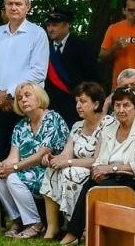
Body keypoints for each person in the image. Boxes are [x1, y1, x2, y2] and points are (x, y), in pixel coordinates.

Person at [64, 86, 135, 245]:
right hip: (109, 176)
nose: (121, 109)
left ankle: (85, 233)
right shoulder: (109, 129)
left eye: (126, 105)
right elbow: (99, 159)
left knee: (100, 187)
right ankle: (74, 233)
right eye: (117, 105)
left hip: (134, 180)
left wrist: (111, 169)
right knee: (90, 185)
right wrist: (98, 169)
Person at [0, 0, 50, 169]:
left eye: (18, 4)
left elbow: (38, 71)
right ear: (4, 7)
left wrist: (10, 94)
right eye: (10, 4)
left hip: (25, 107)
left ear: (28, 7)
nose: (14, 7)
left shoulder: (37, 34)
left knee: (24, 159)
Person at [0, 82, 69, 239]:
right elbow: (13, 157)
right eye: (20, 98)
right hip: (27, 170)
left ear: (39, 97)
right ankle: (18, 220)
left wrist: (13, 168)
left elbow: (43, 154)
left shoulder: (52, 118)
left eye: (28, 95)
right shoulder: (21, 126)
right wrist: (3, 166)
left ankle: (35, 223)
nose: (23, 100)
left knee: (13, 177)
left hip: (52, 170)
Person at [44, 81, 111, 231]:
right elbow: (66, 154)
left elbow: (97, 159)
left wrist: (67, 162)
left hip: (98, 170)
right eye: (76, 102)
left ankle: (77, 227)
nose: (78, 106)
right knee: (51, 171)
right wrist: (52, 159)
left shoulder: (107, 124)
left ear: (96, 104)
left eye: (83, 101)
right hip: (76, 165)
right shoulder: (77, 126)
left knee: (70, 172)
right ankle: (53, 226)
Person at [44, 5, 101, 123]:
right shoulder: (43, 48)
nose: (50, 29)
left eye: (55, 25)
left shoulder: (82, 46)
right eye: (48, 25)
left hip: (76, 107)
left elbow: (93, 78)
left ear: (67, 25)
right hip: (51, 108)